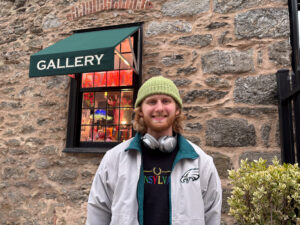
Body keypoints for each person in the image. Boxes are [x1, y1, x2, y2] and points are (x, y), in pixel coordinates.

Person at [86, 76, 222, 225]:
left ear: (177, 110)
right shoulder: (114, 158)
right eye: (151, 102)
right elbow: (98, 212)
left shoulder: (200, 161)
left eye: (166, 101)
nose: (159, 108)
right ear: (140, 111)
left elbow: (212, 215)